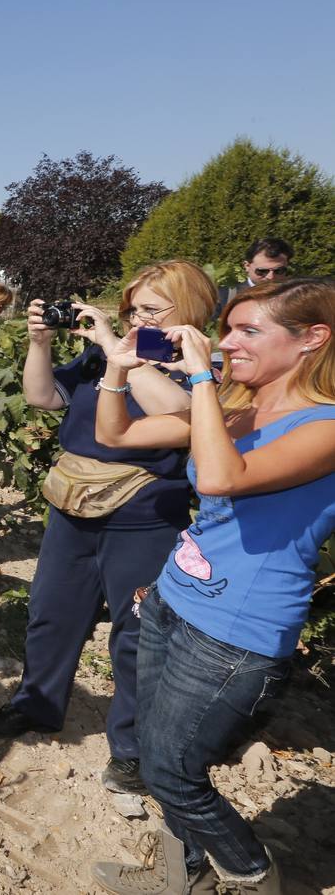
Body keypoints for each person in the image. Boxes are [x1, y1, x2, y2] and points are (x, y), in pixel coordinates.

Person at [90, 277, 335, 895]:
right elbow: (114, 436)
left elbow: (224, 477)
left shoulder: (325, 426)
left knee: (174, 774)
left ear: (314, 339)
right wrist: (117, 371)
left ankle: (255, 879)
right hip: (174, 601)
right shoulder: (241, 407)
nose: (228, 342)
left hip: (236, 632)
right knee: (152, 754)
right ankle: (185, 876)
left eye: (249, 331)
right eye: (228, 330)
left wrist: (201, 378)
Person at [0, 261, 217, 799]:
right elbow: (44, 397)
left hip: (145, 517)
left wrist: (120, 353)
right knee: (50, 611)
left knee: (135, 633)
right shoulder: (97, 357)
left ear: (192, 313)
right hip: (74, 506)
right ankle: (36, 705)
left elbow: (182, 415)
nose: (137, 318)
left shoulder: (197, 367)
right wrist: (40, 343)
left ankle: (131, 749)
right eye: (133, 307)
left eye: (153, 309)